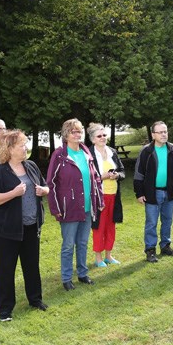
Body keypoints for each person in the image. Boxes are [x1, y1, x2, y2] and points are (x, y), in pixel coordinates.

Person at [0, 130, 50, 320]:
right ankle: (5, 310)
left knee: (32, 266)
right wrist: (12, 193)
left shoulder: (30, 166)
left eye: (25, 144)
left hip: (31, 226)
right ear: (10, 149)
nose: (25, 148)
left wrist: (43, 190)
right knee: (5, 270)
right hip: (6, 231)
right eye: (21, 145)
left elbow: (45, 185)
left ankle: (35, 299)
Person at [47, 118, 103, 290]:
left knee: (83, 242)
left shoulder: (86, 151)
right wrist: (56, 208)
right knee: (68, 245)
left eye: (79, 131)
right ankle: (66, 278)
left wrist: (99, 200)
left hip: (87, 207)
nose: (78, 134)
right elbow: (51, 183)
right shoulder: (59, 155)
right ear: (66, 134)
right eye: (74, 131)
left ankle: (82, 273)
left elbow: (96, 179)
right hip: (68, 209)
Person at [134, 121, 173, 263]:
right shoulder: (146, 151)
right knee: (151, 223)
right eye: (160, 132)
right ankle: (150, 250)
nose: (164, 134)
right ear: (153, 135)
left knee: (167, 221)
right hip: (152, 193)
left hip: (170, 193)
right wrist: (139, 193)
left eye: (165, 131)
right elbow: (139, 174)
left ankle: (165, 246)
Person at [87, 123, 126, 267]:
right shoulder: (89, 155)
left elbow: (122, 171)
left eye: (104, 135)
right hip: (99, 197)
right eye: (99, 136)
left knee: (111, 226)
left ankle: (109, 255)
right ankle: (98, 258)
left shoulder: (112, 152)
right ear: (92, 139)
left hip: (114, 196)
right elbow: (87, 177)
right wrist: (101, 177)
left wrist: (116, 175)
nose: (103, 138)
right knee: (99, 227)